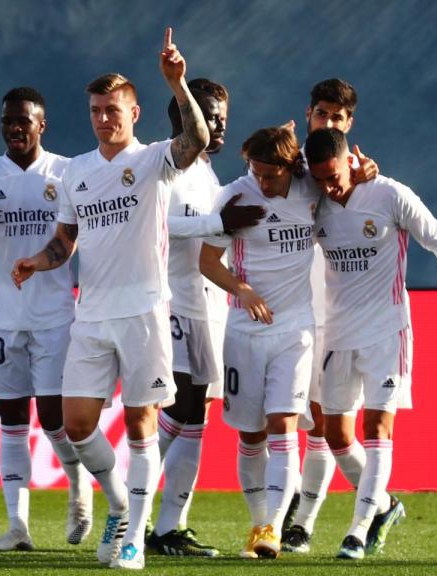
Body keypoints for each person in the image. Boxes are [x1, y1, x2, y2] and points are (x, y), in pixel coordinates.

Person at [10, 28, 209, 570]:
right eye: (96, 110)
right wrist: (38, 259)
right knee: (75, 424)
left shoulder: (152, 160)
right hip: (91, 313)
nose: (104, 118)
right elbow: (66, 239)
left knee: (142, 425)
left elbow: (197, 140)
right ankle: (121, 505)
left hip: (144, 310)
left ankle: (134, 540)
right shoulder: (76, 170)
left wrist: (179, 82)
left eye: (113, 109)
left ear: (135, 112)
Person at [305, 127, 437, 560]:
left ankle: (358, 529)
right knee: (336, 435)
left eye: (335, 174)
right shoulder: (312, 199)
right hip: (337, 332)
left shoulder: (388, 194)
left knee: (377, 428)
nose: (329, 185)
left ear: (350, 160)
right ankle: (385, 505)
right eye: (319, 177)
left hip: (387, 330)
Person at [0, 87, 93, 552]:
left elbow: (70, 237)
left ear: (41, 125)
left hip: (55, 318)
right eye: (8, 121)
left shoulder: (66, 172)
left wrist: (39, 260)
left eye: (24, 121)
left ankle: (78, 489)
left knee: (55, 419)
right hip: (2, 319)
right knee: (11, 419)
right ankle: (18, 527)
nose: (15, 128)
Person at [149, 79, 264, 558]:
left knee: (194, 415)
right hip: (172, 305)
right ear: (181, 116)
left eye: (221, 116)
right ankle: (131, 510)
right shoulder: (163, 167)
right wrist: (215, 224)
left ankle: (166, 525)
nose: (217, 124)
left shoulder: (211, 176)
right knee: (179, 409)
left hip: (209, 310)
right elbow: (154, 226)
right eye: (207, 115)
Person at [199, 126, 320, 560]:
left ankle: (271, 527)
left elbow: (341, 176)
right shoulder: (234, 196)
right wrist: (241, 289)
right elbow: (207, 261)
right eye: (256, 172)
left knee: (283, 424)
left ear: (290, 167)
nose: (263, 183)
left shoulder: (310, 188)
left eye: (271, 175)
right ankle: (257, 522)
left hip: (295, 330)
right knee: (251, 435)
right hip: (245, 332)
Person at [282, 77, 379, 554]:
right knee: (287, 421)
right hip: (285, 307)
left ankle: (301, 520)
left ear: (350, 124)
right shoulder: (287, 167)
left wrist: (368, 175)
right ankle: (381, 505)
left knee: (322, 424)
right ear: (308, 115)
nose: (330, 122)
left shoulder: (355, 173)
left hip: (335, 311)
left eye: (339, 117)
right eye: (323, 114)